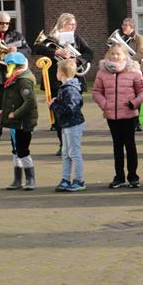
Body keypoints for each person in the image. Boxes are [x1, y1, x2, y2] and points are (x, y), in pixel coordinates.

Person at [33, 13, 93, 155]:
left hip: (74, 80)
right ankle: (63, 145)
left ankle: (73, 144)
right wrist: (56, 51)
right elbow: (37, 48)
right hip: (56, 80)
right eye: (71, 24)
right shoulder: (52, 38)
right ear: (62, 24)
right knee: (58, 115)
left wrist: (77, 61)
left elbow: (89, 53)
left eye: (74, 24)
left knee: (74, 112)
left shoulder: (77, 38)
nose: (73, 27)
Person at [92, 44, 143, 189]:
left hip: (129, 115)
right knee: (117, 147)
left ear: (125, 56)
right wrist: (104, 104)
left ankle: (133, 177)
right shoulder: (102, 72)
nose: (115, 56)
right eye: (113, 53)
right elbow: (96, 92)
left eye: (118, 54)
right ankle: (119, 177)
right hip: (112, 116)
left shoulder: (134, 71)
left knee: (130, 146)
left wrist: (134, 103)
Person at [0, 12, 31, 142]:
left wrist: (16, 51)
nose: (5, 25)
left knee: (16, 104)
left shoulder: (17, 35)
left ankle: (18, 131)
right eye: (2, 23)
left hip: (13, 75)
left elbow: (28, 51)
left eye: (7, 23)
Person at [0, 53, 39, 191]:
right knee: (16, 150)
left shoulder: (23, 81)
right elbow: (13, 100)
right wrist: (4, 111)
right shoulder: (15, 79)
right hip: (15, 122)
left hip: (22, 122)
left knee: (23, 150)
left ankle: (30, 179)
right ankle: (17, 179)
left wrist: (15, 114)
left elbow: (30, 102)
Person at [49, 59, 86, 192]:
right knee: (65, 153)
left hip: (73, 125)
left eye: (57, 71)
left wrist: (54, 105)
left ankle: (79, 180)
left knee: (74, 153)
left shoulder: (70, 89)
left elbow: (70, 108)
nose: (56, 73)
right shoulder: (65, 88)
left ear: (62, 73)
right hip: (66, 125)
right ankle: (65, 179)